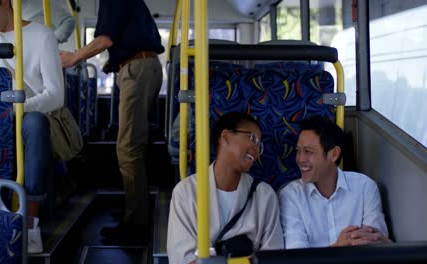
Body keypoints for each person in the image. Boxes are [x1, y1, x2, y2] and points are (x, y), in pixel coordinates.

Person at [0, 0, 65, 253]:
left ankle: (30, 222)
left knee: (36, 125)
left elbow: (56, 95)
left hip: (27, 112)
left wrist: (18, 108)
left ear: (6, 3)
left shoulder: (42, 36)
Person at [60, 0, 164, 239]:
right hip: (143, 66)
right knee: (134, 145)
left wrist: (74, 57)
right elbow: (127, 37)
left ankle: (136, 224)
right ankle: (136, 210)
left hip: (137, 70)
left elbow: (105, 40)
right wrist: (115, 61)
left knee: (127, 148)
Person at [167, 112, 284, 263]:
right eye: (253, 139)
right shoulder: (186, 192)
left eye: (259, 146)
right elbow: (181, 258)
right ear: (226, 137)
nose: (256, 150)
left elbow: (273, 258)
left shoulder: (264, 196)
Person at [279, 115, 391, 249]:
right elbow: (296, 255)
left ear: (334, 154)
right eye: (298, 151)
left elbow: (375, 243)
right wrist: (337, 249)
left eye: (308, 151)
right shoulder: (291, 195)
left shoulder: (364, 187)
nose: (300, 159)